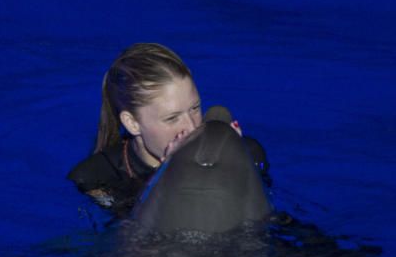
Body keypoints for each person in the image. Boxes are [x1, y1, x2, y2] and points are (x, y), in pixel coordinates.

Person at [67, 43, 271, 216]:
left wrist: (236, 163)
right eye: (172, 118)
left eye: (195, 108)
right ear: (132, 123)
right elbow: (130, 238)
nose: (192, 127)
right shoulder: (94, 179)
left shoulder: (250, 153)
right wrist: (170, 173)